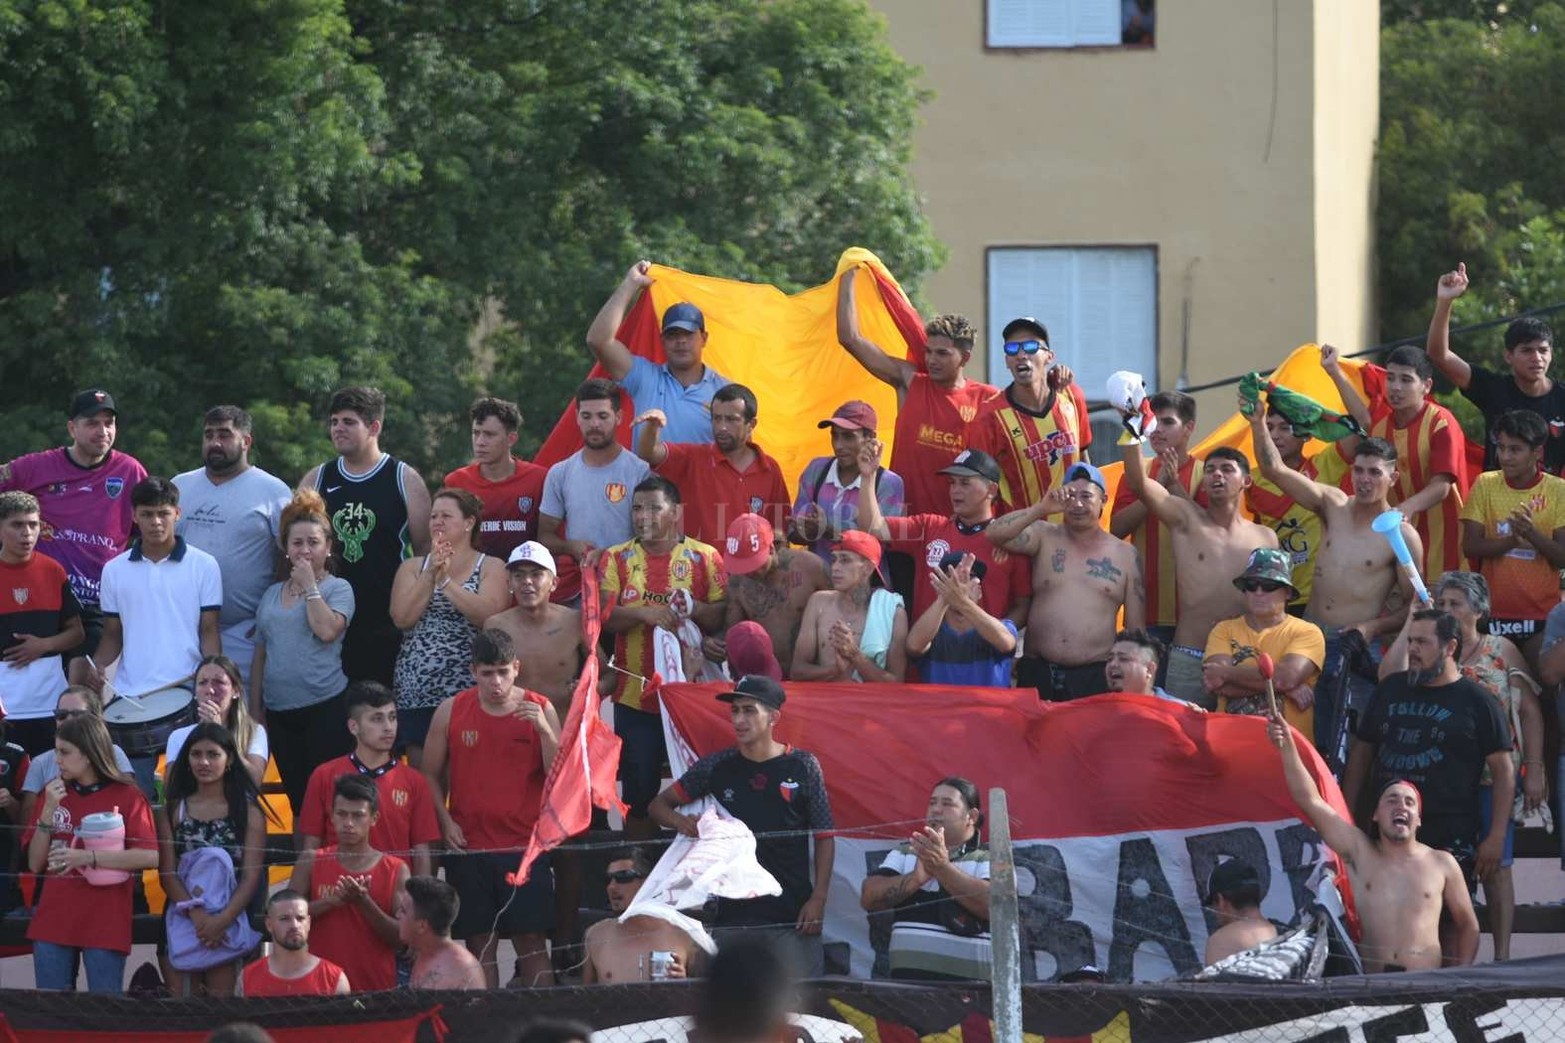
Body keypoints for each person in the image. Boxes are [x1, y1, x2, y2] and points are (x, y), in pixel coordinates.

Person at [1248, 400, 1425, 766]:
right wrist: (1257, 421)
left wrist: (1371, 626)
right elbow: (1273, 468)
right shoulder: (1333, 505)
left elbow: (1414, 607)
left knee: (1349, 741)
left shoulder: (1402, 536)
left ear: (1392, 477)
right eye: (1359, 470)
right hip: (1309, 636)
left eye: (1374, 473)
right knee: (1290, 731)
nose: (1364, 479)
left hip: (1355, 645)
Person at [1389, 572, 1544, 961]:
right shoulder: (1430, 652)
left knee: (1496, 864)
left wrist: (1537, 767)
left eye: (1455, 604)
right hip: (1443, 778)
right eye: (1441, 604)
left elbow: (1529, 712)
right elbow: (1388, 679)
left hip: (1495, 779)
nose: (1446, 610)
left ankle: (1503, 957)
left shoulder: (1501, 650)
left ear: (1479, 610)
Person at [650, 675, 834, 976]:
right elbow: (658, 806)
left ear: (773, 716)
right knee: (732, 1014)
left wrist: (819, 898)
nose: (739, 719)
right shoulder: (717, 766)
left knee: (803, 1010)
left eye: (749, 710)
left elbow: (825, 835)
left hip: (791, 915)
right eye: (735, 711)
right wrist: (683, 823)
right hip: (731, 917)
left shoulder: (803, 765)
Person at [1270, 711, 1478, 970]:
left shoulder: (1442, 863)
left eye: (1409, 802)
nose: (1401, 806)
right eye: (1391, 800)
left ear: (1418, 819)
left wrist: (1462, 975)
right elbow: (1310, 800)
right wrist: (1287, 747)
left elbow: (1468, 925)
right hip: (1372, 987)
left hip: (1425, 986)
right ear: (1376, 815)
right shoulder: (1360, 852)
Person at [422, 629, 561, 989]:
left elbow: (559, 777)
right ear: (473, 671)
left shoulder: (540, 707)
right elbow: (429, 777)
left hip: (524, 848)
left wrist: (545, 731)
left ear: (516, 667)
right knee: (479, 943)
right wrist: (445, 820)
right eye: (487, 673)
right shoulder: (451, 710)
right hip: (470, 846)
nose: (496, 681)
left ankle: (545, 1030)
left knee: (531, 943)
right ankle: (488, 1030)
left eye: (502, 671)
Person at [1347, 609, 1515, 894]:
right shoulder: (1390, 689)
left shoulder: (1479, 701)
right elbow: (1362, 756)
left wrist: (1496, 836)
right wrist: (1348, 818)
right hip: (1389, 829)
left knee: (1450, 923)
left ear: (1450, 647)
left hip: (1450, 835)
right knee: (1385, 920)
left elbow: (1504, 771)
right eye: (1411, 641)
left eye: (1422, 643)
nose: (1412, 649)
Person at [602, 476, 727, 839]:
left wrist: (696, 608)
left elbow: (720, 615)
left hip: (693, 698)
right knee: (639, 790)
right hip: (634, 698)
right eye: (638, 508)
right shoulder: (616, 558)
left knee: (702, 786)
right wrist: (644, 614)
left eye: (655, 507)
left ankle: (697, 865)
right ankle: (639, 871)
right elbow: (604, 616)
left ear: (676, 513)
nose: (644, 516)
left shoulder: (706, 557)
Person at [1117, 425, 1278, 707]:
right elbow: (1139, 483)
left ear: (1247, 481)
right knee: (1182, 741)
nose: (1217, 474)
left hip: (1243, 658)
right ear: (1202, 483)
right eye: (1211, 470)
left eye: (1227, 469)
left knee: (1236, 743)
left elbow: (1275, 603)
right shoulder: (1186, 520)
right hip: (1189, 655)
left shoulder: (1265, 537)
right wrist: (1131, 427)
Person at [0, 389, 148, 687]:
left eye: (109, 423)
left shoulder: (130, 471)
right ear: (72, 428)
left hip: (96, 603)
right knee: (27, 685)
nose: (102, 431)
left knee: (83, 691)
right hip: (42, 598)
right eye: (92, 423)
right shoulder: (37, 466)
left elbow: (149, 528)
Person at [96, 476, 223, 792]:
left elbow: (209, 629)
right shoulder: (114, 569)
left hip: (187, 694)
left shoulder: (204, 566)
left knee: (188, 794)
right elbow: (112, 634)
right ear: (134, 516)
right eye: (148, 514)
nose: (155, 521)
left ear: (177, 514)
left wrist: (213, 680)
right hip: (131, 699)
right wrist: (96, 667)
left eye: (163, 513)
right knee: (137, 796)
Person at [836, 269, 996, 518]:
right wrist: (848, 275)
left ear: (965, 358)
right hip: (901, 526)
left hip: (954, 529)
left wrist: (1059, 382)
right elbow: (850, 339)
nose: (931, 359)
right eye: (928, 351)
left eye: (942, 353)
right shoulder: (910, 382)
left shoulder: (987, 399)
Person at [301, 385, 433, 686]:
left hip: (387, 624)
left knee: (381, 717)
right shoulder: (316, 478)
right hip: (329, 621)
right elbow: (293, 548)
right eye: (334, 422)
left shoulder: (404, 479)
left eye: (348, 422)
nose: (338, 429)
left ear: (374, 426)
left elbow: (425, 553)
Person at [24, 714, 158, 992]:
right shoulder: (51, 794)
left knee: (104, 1015)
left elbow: (151, 857)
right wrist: (48, 810)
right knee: (50, 1016)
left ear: (88, 754)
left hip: (105, 919)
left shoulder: (128, 796)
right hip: (54, 918)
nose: (56, 759)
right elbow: (36, 865)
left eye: (64, 752)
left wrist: (89, 858)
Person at [987, 463, 1143, 699]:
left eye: (1086, 496)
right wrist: (1041, 508)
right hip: (1037, 671)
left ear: (1103, 499)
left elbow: (1136, 630)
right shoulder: (1043, 536)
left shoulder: (1126, 555)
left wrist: (1131, 683)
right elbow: (993, 534)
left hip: (1093, 676)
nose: (1077, 504)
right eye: (1070, 495)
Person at [389, 487, 510, 767]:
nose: (437, 522)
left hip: (467, 688)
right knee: (426, 780)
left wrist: (446, 584)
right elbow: (402, 618)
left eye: (446, 515)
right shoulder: (412, 567)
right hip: (417, 688)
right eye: (433, 516)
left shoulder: (491, 566)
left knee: (468, 776)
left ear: (469, 522)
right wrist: (431, 573)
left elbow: (489, 616)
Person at [856, 447, 1031, 639]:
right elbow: (873, 529)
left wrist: (999, 637)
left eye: (964, 483)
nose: (955, 490)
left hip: (982, 663)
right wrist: (868, 477)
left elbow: (1023, 603)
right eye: (952, 483)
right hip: (926, 659)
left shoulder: (1011, 541)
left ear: (991, 490)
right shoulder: (929, 527)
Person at [1324, 344, 1467, 579]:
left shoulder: (1441, 422)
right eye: (1390, 378)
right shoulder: (1382, 428)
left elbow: (1442, 486)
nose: (1396, 387)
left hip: (1444, 547)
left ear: (1426, 386)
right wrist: (1333, 370)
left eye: (1406, 380)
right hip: (1395, 545)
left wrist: (1404, 509)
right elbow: (1363, 418)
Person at [172, 405, 292, 684]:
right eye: (209, 434)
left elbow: (290, 558)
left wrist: (270, 614)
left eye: (225, 435)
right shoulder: (179, 486)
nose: (215, 442)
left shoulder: (274, 491)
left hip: (244, 632)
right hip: (183, 629)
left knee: (240, 718)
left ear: (246, 441)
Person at [252, 489, 354, 811]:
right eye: (297, 543)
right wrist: (256, 709)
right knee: (299, 804)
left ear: (328, 546)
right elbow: (261, 653)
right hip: (280, 713)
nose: (305, 550)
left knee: (329, 802)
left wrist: (310, 586)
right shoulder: (270, 594)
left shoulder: (338, 588)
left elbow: (326, 630)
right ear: (286, 548)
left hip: (325, 707)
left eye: (313, 542)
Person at [157, 722, 270, 997]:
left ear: (229, 759)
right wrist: (196, 916)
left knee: (224, 1010)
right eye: (196, 754)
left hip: (231, 914)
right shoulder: (173, 808)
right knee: (184, 1012)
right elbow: (167, 873)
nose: (203, 762)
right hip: (183, 914)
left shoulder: (249, 811)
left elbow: (251, 875)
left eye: (213, 754)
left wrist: (223, 920)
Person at [1424, 262, 1565, 472]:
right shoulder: (1493, 388)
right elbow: (1439, 355)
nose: (1537, 358)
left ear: (1551, 354)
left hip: (1549, 502)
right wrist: (1445, 301)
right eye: (1527, 351)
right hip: (1495, 499)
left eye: (1543, 350)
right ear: (1508, 356)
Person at [297, 681, 440, 879]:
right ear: (353, 726)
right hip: (337, 893)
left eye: (392, 717)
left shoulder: (414, 781)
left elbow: (422, 852)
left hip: (394, 897)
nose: (388, 727)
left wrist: (416, 903)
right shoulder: (324, 775)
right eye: (377, 719)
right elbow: (310, 846)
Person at [860, 777, 991, 981]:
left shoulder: (989, 857)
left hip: (971, 995)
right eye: (932, 803)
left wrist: (942, 868)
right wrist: (915, 880)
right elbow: (869, 898)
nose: (936, 810)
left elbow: (995, 906)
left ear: (971, 816)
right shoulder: (907, 851)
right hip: (907, 992)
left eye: (947, 804)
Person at [288, 773, 409, 993]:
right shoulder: (311, 860)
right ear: (331, 816)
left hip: (377, 990)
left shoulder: (396, 869)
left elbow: (402, 939)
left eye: (358, 816)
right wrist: (334, 901)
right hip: (319, 989)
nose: (348, 824)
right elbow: (285, 919)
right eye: (342, 814)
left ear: (374, 818)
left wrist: (364, 903)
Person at [587, 261, 729, 445]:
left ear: (704, 338)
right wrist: (631, 282)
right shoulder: (645, 377)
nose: (681, 341)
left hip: (703, 475)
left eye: (688, 334)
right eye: (672, 335)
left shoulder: (724, 391)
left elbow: (738, 452)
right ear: (662, 341)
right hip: (648, 474)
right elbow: (598, 340)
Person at [1459, 409, 1565, 655]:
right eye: (1501, 447)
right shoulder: (1486, 483)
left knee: (1544, 686)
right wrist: (1511, 541)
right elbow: (1470, 546)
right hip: (1491, 615)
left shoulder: (1559, 490)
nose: (1505, 456)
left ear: (1537, 452)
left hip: (1542, 618)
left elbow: (1562, 557)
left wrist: (1530, 533)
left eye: (1515, 449)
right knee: (1492, 689)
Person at [538, 378, 653, 604]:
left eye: (603, 416)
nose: (594, 424)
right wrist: (570, 547)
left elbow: (652, 536)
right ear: (577, 418)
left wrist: (610, 555)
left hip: (631, 587)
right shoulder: (560, 473)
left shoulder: (640, 472)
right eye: (587, 416)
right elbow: (545, 536)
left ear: (618, 417)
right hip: (578, 591)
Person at [634, 383, 791, 545]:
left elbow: (780, 531)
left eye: (731, 420)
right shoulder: (693, 457)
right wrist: (653, 427)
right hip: (698, 568)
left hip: (751, 570)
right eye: (717, 418)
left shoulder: (769, 469)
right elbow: (648, 453)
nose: (722, 427)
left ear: (751, 425)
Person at [964, 316, 1091, 511]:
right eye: (1012, 349)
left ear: (1049, 356)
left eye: (1031, 347)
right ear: (1007, 361)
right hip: (1024, 536)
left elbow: (1083, 459)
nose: (1021, 354)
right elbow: (978, 487)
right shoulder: (989, 417)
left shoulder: (1072, 396)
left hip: (1073, 530)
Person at [1110, 390, 1203, 647]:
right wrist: (1152, 488)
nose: (1157, 430)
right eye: (1153, 421)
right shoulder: (1135, 474)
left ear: (1189, 427)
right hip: (1144, 611)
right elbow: (1116, 528)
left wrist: (1172, 487)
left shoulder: (1206, 473)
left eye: (1168, 422)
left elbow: (1207, 532)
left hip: (1194, 613)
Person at [1202, 549, 1326, 735]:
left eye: (1268, 585)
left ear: (1288, 593)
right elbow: (1214, 683)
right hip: (1230, 742)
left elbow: (1286, 678)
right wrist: (1281, 689)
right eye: (1251, 585)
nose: (1258, 592)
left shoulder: (1307, 632)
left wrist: (1226, 672)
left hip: (1288, 751)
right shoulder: (1223, 629)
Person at [0, 491, 83, 757]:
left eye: (33, 524)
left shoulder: (54, 571)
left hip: (49, 706)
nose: (27, 532)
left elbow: (77, 633)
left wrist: (44, 645)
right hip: (4, 708)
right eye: (17, 525)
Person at [483, 542, 595, 721]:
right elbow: (484, 680)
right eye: (519, 575)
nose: (527, 581)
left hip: (564, 729)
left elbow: (608, 675)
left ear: (554, 583)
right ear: (509, 583)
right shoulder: (495, 626)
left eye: (536, 575)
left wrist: (588, 688)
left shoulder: (575, 622)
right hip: (513, 729)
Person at [790, 400, 906, 571]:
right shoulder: (816, 470)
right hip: (818, 581)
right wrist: (805, 530)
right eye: (834, 435)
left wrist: (829, 532)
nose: (838, 445)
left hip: (864, 588)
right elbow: (795, 534)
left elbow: (877, 547)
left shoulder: (888, 483)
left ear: (871, 438)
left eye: (848, 436)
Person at [711, 514, 827, 679]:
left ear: (771, 548)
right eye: (742, 565)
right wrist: (712, 645)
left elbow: (843, 609)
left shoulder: (811, 568)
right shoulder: (738, 581)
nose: (749, 572)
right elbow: (734, 633)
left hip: (813, 679)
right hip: (765, 682)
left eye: (754, 564)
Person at [792, 531, 907, 683]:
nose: (835, 567)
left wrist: (854, 655)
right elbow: (797, 671)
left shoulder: (893, 611)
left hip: (871, 705)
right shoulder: (818, 602)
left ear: (867, 568)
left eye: (845, 560)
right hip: (826, 702)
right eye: (834, 560)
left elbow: (896, 682)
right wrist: (834, 671)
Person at [444, 396, 548, 561]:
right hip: (472, 580)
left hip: (524, 579)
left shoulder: (539, 479)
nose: (480, 442)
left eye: (489, 435)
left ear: (511, 439)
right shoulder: (456, 482)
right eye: (476, 433)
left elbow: (549, 538)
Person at [1246, 406, 1328, 613]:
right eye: (1269, 427)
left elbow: (1359, 427)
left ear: (1306, 434)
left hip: (1321, 597)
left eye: (1285, 428)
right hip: (1275, 596)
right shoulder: (1250, 479)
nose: (1275, 436)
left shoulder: (1326, 464)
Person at [20, 686, 134, 827]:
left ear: (97, 717)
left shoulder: (114, 752)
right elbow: (27, 824)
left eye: (77, 715)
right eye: (61, 715)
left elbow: (129, 798)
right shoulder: (40, 762)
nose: (68, 720)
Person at [581, 847, 698, 983]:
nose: (612, 887)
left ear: (649, 883)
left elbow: (708, 998)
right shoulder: (596, 936)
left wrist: (685, 985)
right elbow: (585, 999)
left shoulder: (685, 935)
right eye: (608, 879)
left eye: (623, 877)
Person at [905, 553, 1017, 688]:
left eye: (970, 577)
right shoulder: (931, 631)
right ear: (940, 588)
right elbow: (913, 646)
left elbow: (1006, 643)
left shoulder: (1001, 627)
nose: (959, 585)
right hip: (940, 708)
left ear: (979, 591)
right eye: (952, 579)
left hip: (986, 708)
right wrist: (945, 598)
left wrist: (962, 602)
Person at [166, 656, 269, 786]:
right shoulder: (179, 736)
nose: (210, 690)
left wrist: (220, 735)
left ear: (235, 691)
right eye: (203, 682)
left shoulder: (254, 732)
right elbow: (172, 787)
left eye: (219, 682)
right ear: (195, 692)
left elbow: (254, 781)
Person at [238, 890, 350, 996]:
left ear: (308, 923)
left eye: (300, 918)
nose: (294, 925)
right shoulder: (247, 978)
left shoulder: (334, 979)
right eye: (284, 918)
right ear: (269, 925)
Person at [399, 875, 486, 990]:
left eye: (403, 911)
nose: (397, 914)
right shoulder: (422, 950)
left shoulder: (462, 969)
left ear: (422, 926)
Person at [1201, 861, 1278, 965]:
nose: (1215, 911)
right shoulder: (1288, 934)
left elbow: (1216, 981)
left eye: (1213, 904)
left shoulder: (1220, 941)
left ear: (1221, 900)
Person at [1104, 629, 1186, 703]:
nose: (1113, 664)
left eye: (1123, 659)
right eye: (1110, 659)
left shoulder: (1180, 712)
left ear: (1149, 669)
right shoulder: (1097, 708)